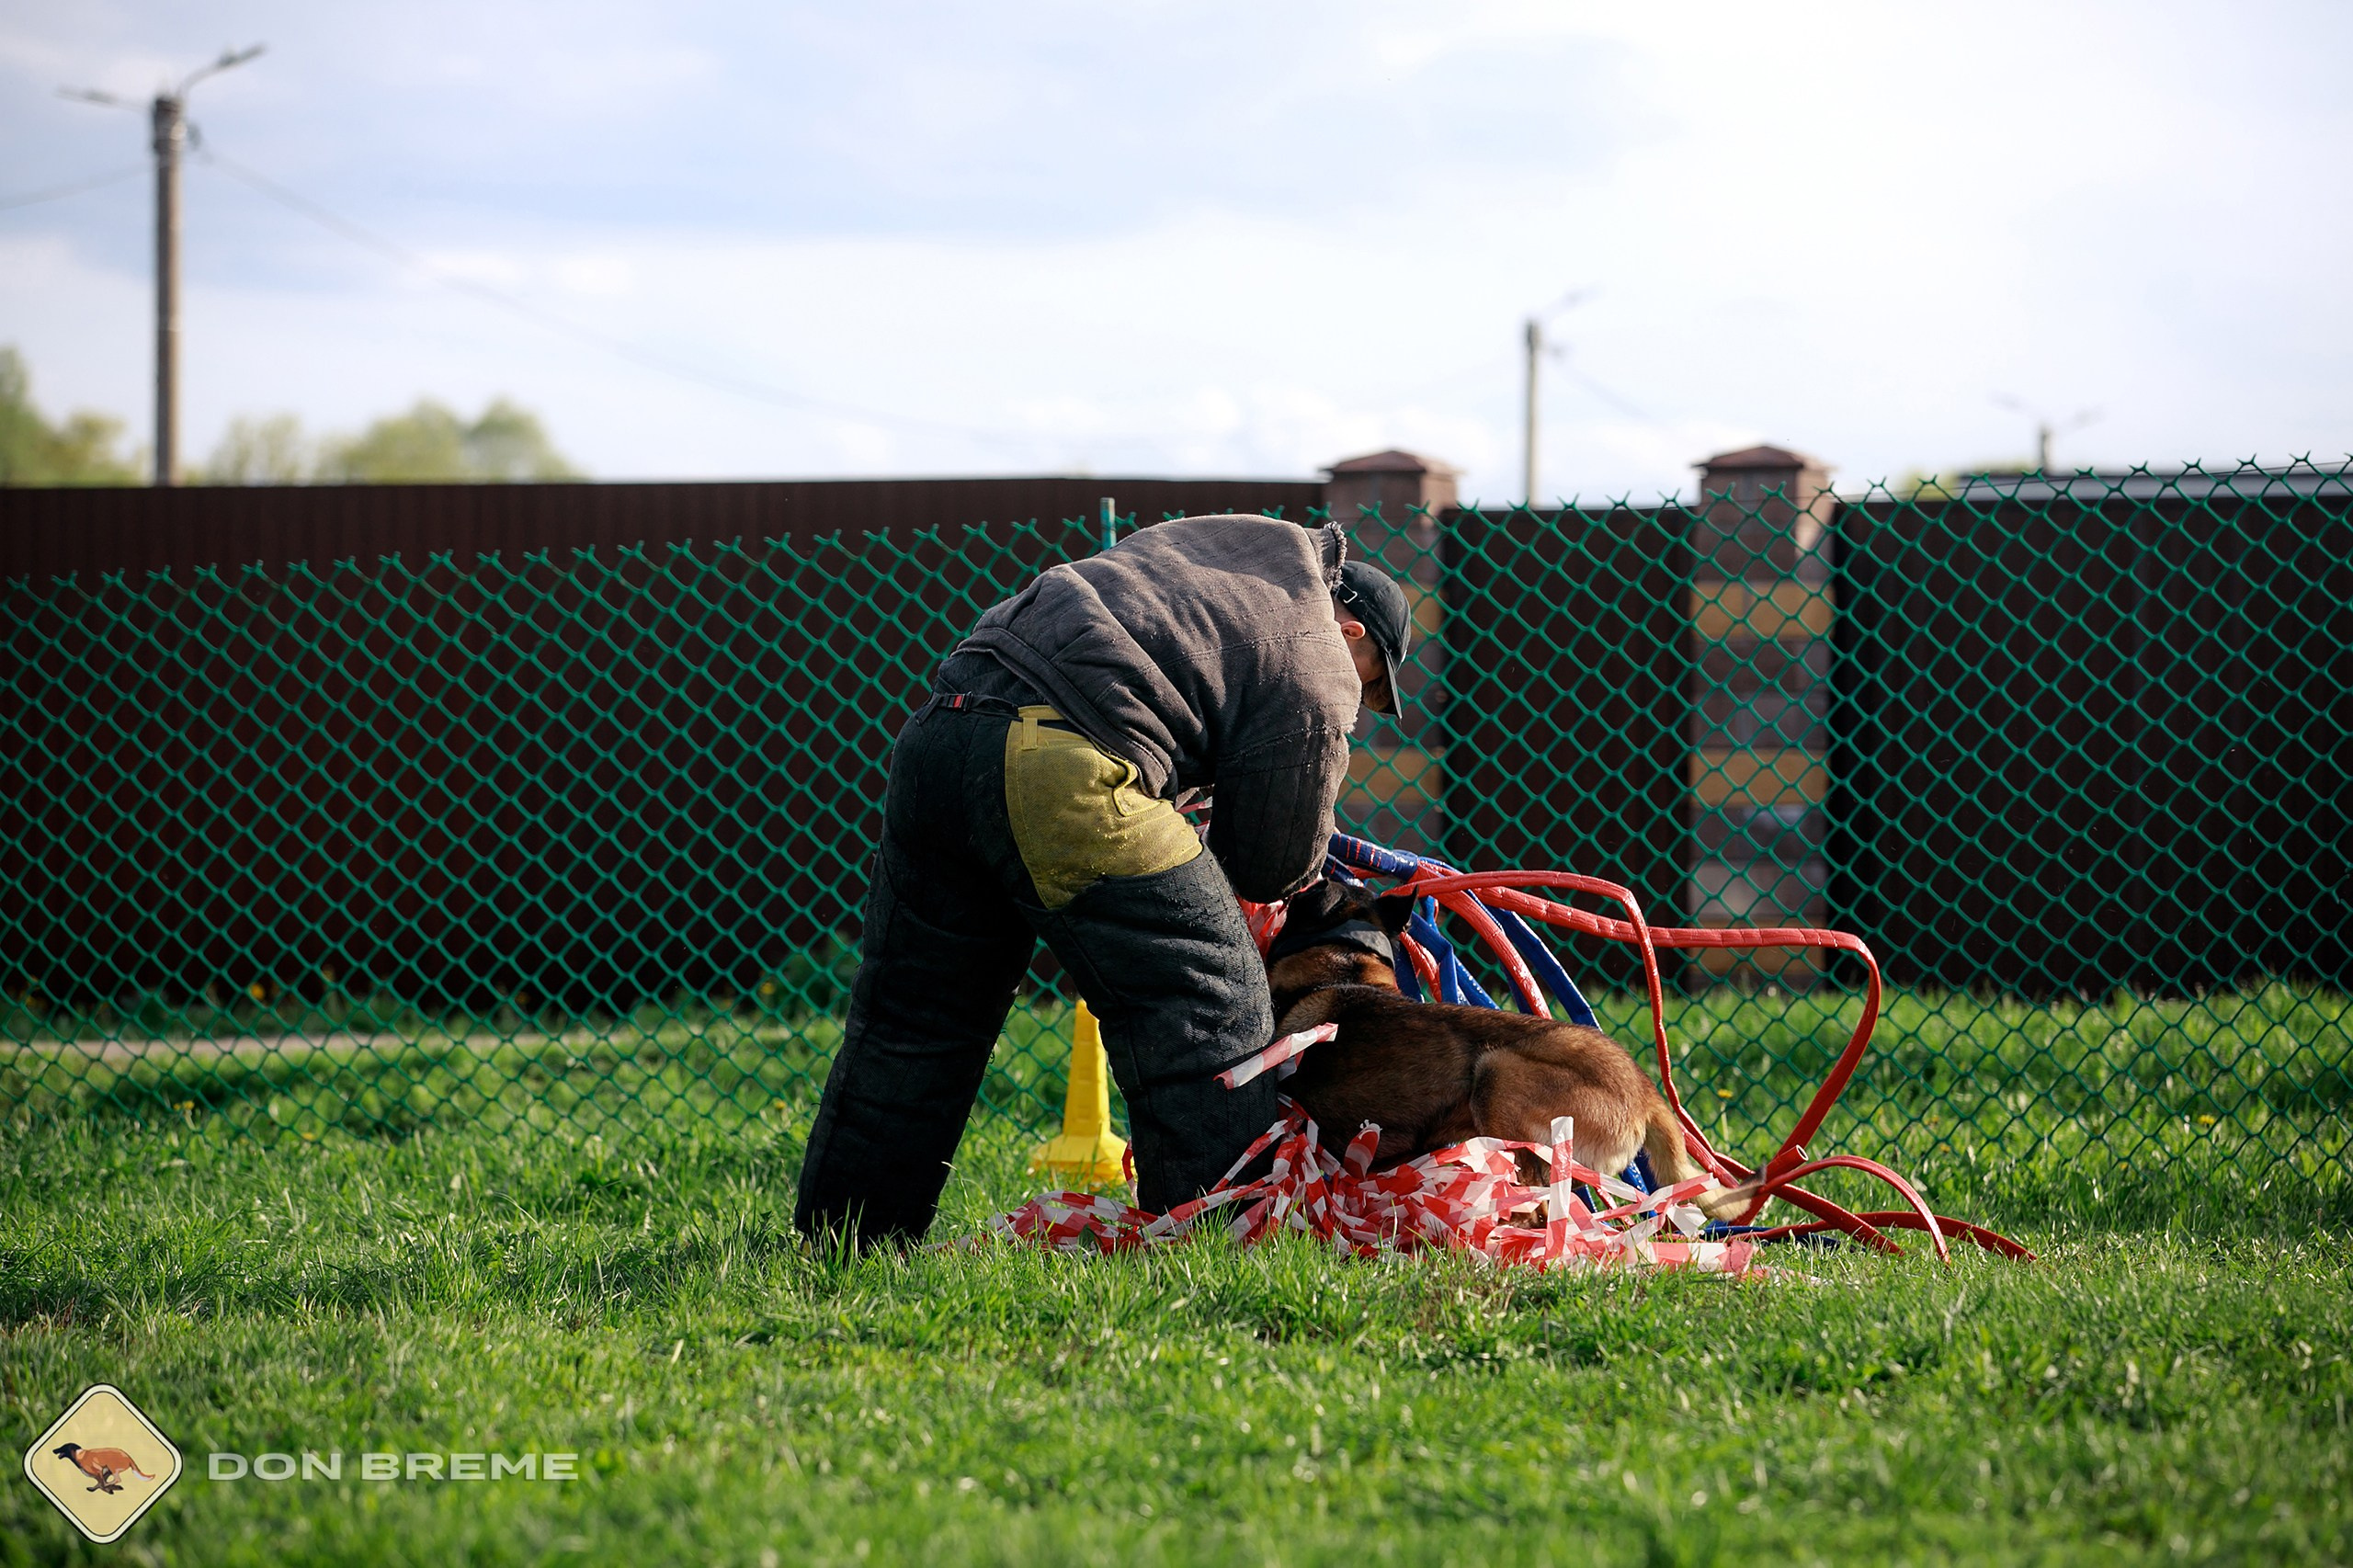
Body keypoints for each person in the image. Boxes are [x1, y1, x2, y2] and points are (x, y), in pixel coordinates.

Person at [793, 513, 1411, 1244]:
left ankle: (844, 1242)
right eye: (1371, 687)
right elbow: (1271, 865)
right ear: (1355, 637)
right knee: (1207, 994)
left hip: (940, 736)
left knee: (915, 1018)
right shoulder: (1316, 650)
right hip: (1062, 763)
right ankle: (1213, 1242)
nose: (1360, 706)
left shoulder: (1223, 557)